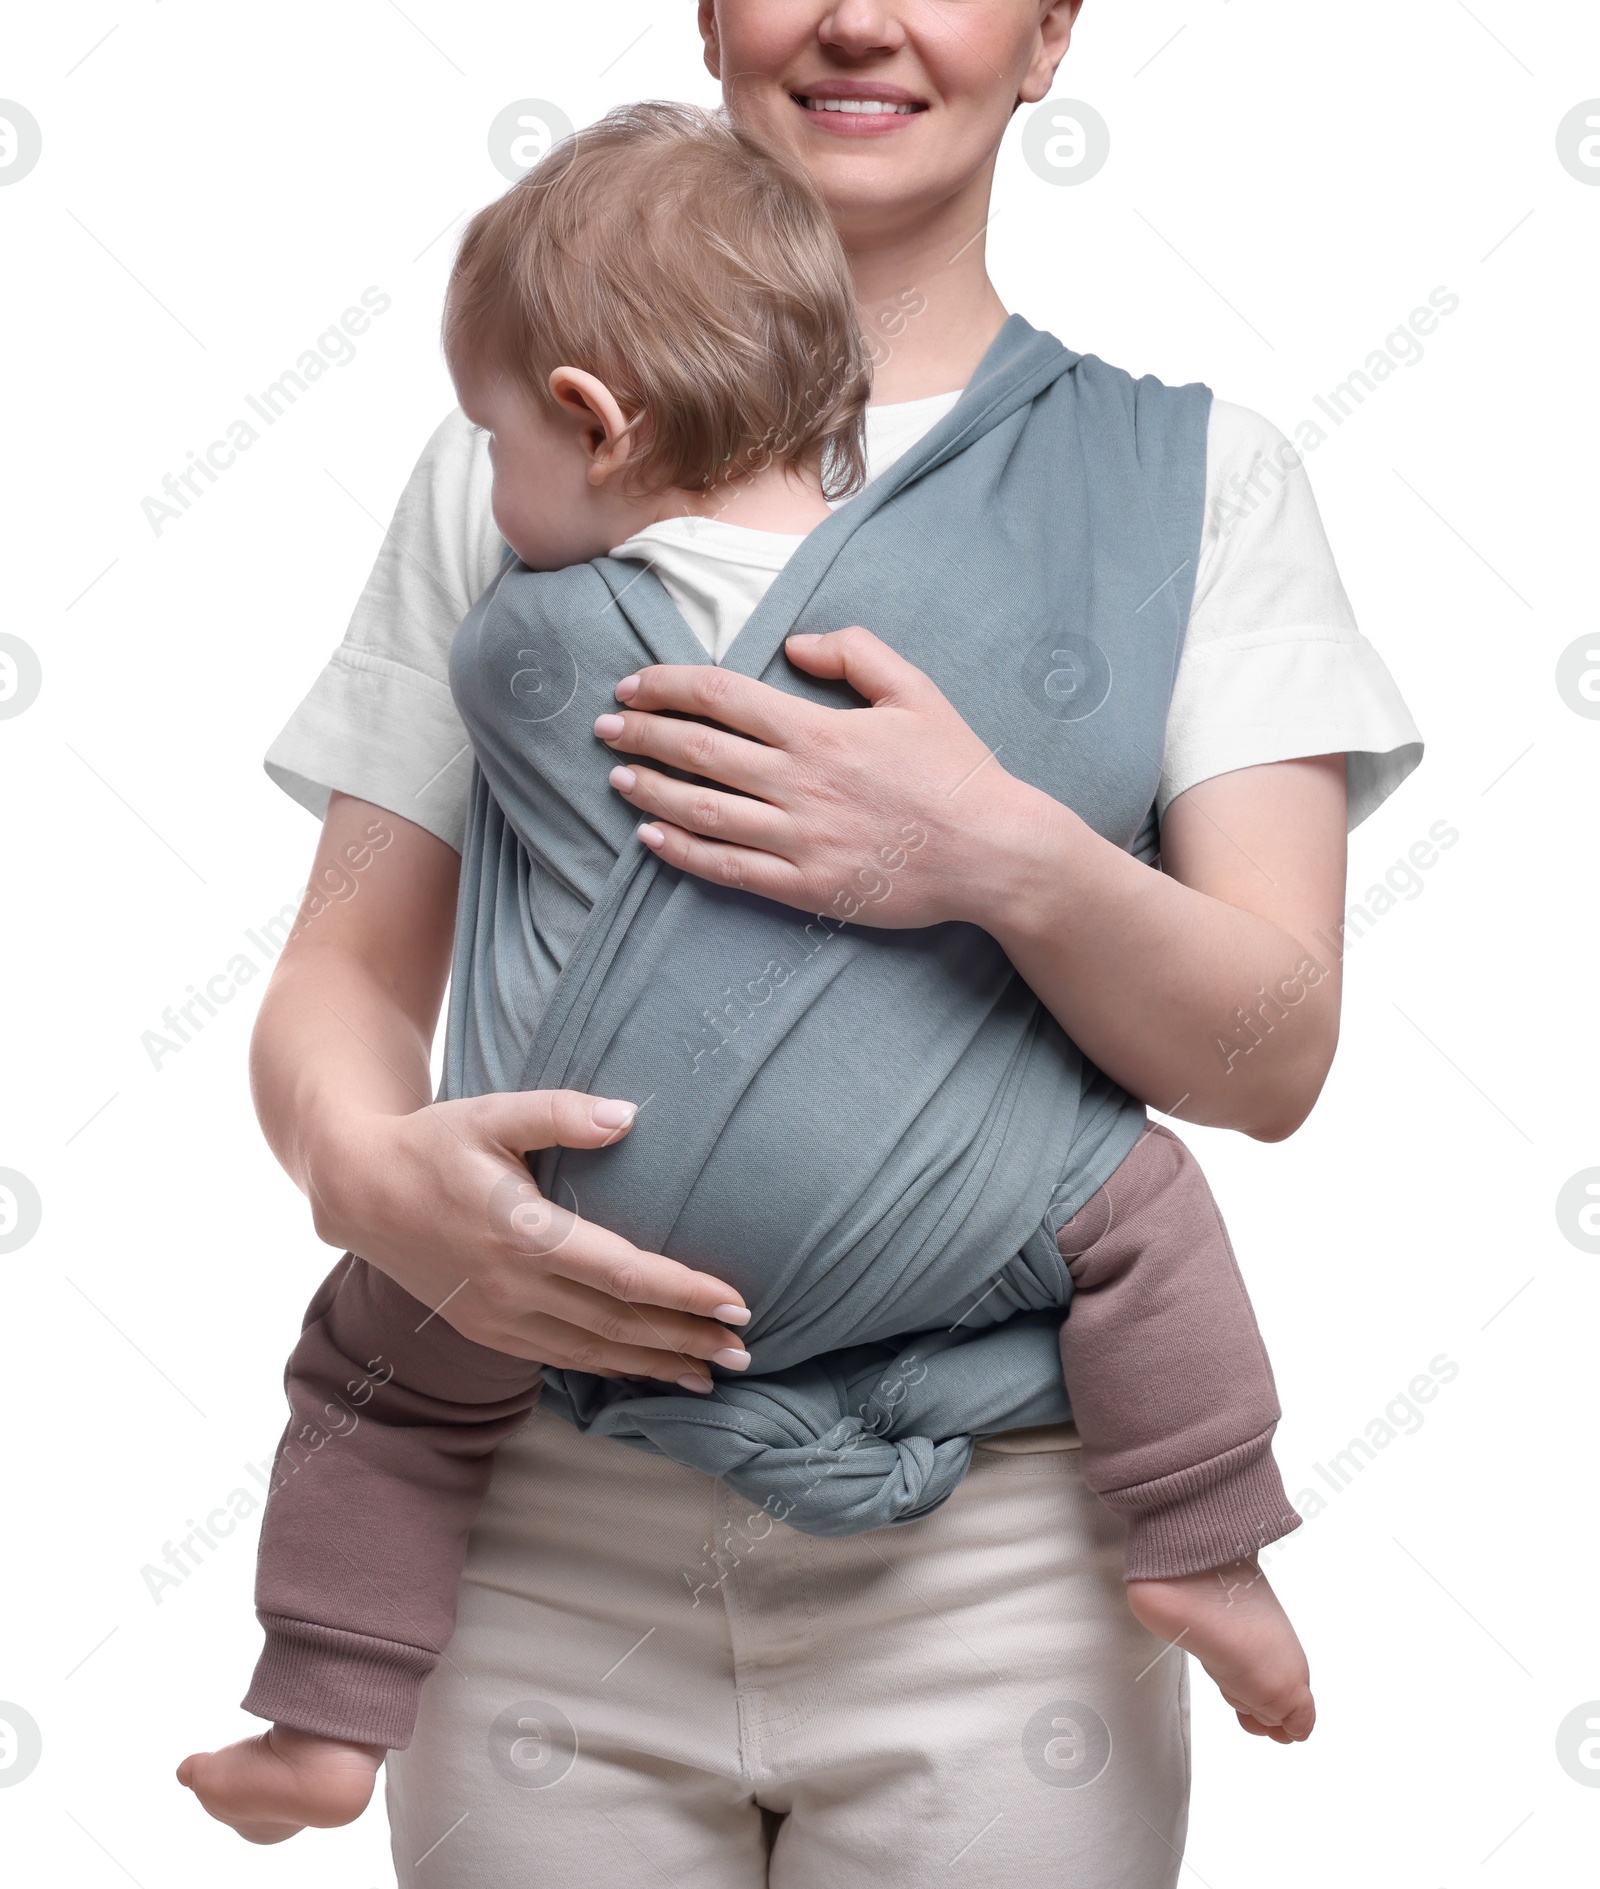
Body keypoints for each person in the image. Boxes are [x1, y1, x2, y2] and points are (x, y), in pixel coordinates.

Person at [186, 6, 1422, 1883]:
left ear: (1051, 29)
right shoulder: (508, 471)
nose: (856, 13)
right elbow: (346, 974)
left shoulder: (1200, 483)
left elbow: (1271, 1057)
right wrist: (377, 1180)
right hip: (531, 1521)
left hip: (1003, 1561)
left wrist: (997, 852)